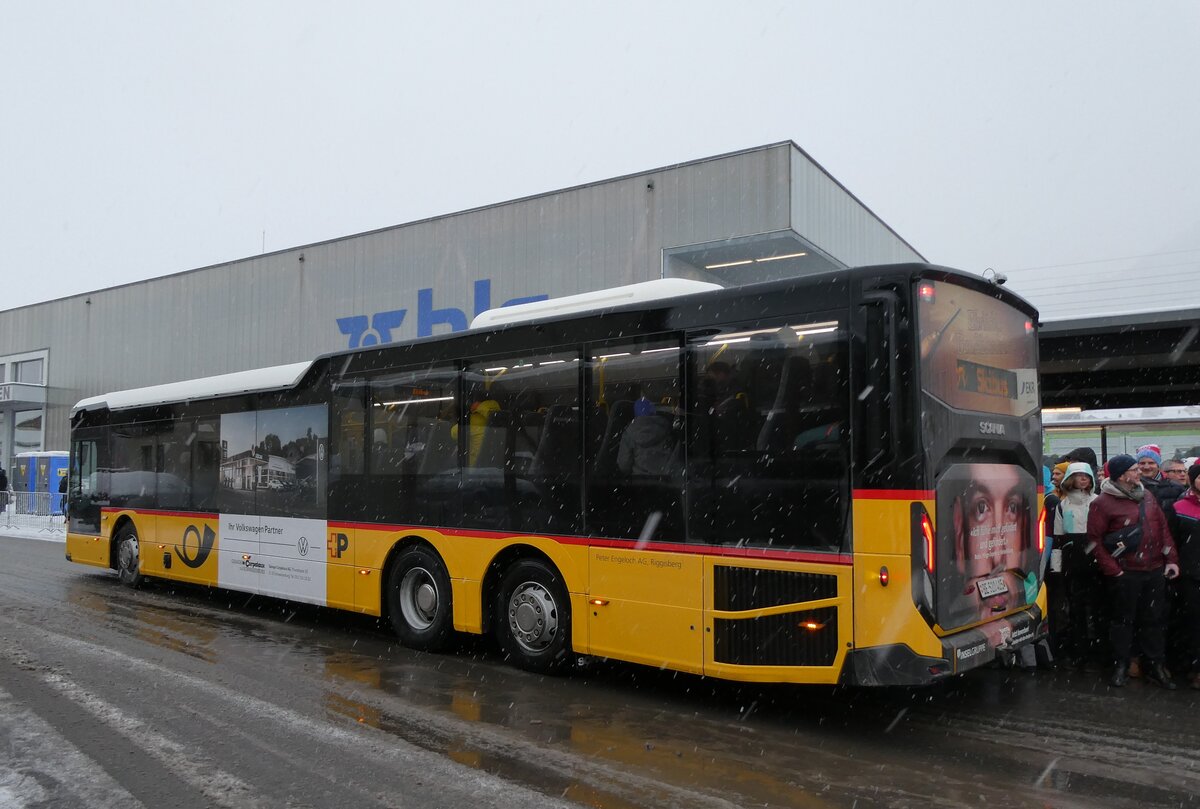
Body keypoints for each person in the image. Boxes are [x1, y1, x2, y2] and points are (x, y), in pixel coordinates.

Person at [1087, 453, 1180, 688]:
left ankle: (1155, 665)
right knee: (1122, 621)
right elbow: (1094, 542)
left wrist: (1171, 559)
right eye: (1134, 469)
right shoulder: (1102, 503)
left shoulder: (1147, 495)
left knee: (1154, 620)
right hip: (1126, 571)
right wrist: (1114, 571)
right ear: (1121, 475)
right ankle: (1122, 664)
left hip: (1154, 569)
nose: (1139, 472)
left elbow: (1162, 529)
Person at [1052, 462, 1100, 666]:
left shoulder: (1098, 501)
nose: (1084, 479)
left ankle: (1096, 650)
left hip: (1096, 559)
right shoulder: (1062, 505)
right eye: (1079, 475)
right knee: (1076, 607)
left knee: (1096, 606)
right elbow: (1057, 537)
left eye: (1087, 476)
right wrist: (1056, 568)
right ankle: (1080, 649)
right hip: (1073, 561)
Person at [1164, 462, 1200, 689]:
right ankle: (1195, 668)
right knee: (1194, 624)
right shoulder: (1179, 507)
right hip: (1191, 576)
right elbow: (1171, 542)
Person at [617, 397, 676, 476]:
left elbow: (624, 464)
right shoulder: (665, 428)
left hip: (640, 482)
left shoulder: (629, 433)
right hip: (663, 481)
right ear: (653, 411)